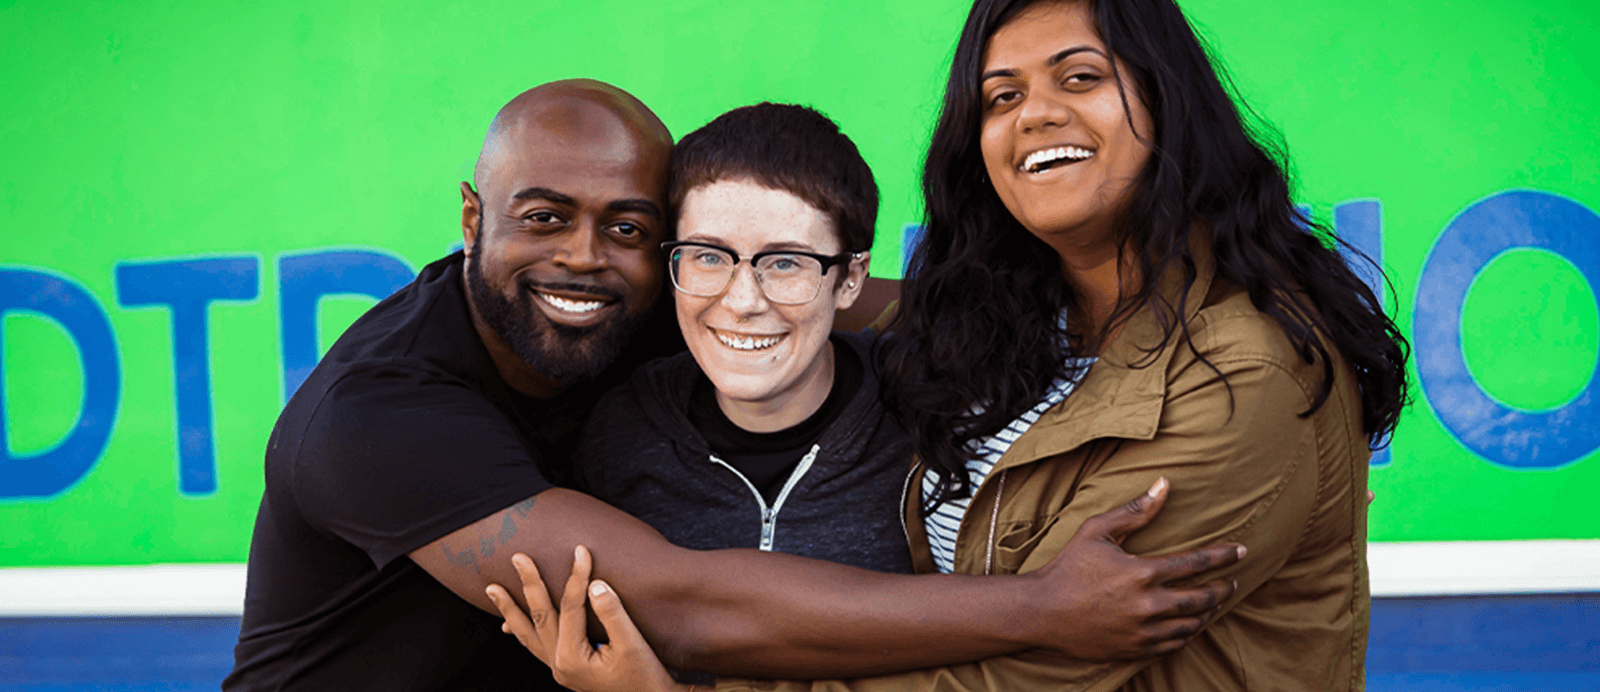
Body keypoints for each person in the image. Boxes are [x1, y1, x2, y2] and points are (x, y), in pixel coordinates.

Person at [491, 0, 1409, 689]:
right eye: (1001, 96)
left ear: (1165, 103)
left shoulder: (1242, 374)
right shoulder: (1005, 327)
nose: (1035, 114)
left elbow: (1019, 677)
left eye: (1079, 78)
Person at [225, 78, 1246, 691]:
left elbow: (861, 296)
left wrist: (1224, 389)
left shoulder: (648, 305)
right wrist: (1040, 607)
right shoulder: (376, 415)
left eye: (627, 227)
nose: (585, 258)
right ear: (469, 217)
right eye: (543, 215)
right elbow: (678, 601)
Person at [572, 103, 913, 578]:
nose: (743, 301)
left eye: (786, 262)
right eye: (709, 257)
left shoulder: (922, 423)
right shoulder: (616, 432)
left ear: (850, 278)